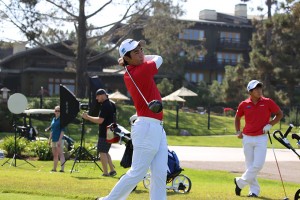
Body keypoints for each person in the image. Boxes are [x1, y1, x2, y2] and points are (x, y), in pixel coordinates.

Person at [96, 39, 168, 200]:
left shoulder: (132, 70)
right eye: (136, 52)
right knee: (138, 172)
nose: (141, 53)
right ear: (127, 58)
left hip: (157, 128)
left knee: (160, 172)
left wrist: (126, 60)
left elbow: (148, 58)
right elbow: (159, 58)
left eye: (141, 49)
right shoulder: (140, 71)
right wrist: (127, 60)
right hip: (147, 128)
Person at [234, 80, 283, 197]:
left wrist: (270, 124)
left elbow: (279, 114)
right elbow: (237, 118)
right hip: (247, 138)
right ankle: (254, 191)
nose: (259, 90)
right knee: (250, 166)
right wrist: (238, 131)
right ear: (250, 91)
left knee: (258, 165)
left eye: (260, 88)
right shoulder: (244, 104)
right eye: (256, 89)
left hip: (261, 138)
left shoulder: (267, 102)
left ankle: (240, 182)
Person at [82, 89, 117, 177]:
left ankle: (105, 173)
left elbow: (100, 120)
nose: (97, 99)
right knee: (105, 151)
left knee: (102, 152)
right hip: (110, 132)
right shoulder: (112, 104)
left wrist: (88, 117)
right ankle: (112, 170)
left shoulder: (105, 105)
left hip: (105, 132)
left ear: (102, 95)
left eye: (97, 96)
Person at [47, 105, 65, 172]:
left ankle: (62, 169)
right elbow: (52, 130)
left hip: (59, 139)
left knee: (60, 154)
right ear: (54, 111)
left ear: (61, 112)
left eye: (58, 111)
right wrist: (49, 139)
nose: (57, 112)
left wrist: (59, 140)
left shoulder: (62, 120)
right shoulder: (53, 119)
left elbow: (62, 131)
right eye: (56, 110)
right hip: (53, 139)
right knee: (55, 155)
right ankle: (54, 169)